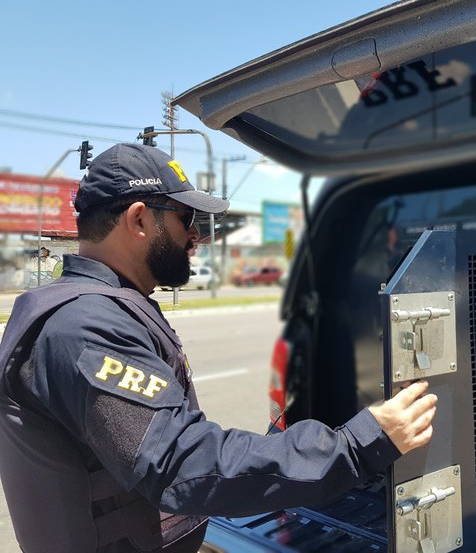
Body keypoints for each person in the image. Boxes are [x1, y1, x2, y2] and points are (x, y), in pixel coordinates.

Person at [0, 143, 437, 553]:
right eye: (184, 218)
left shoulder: (101, 306)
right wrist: (360, 445)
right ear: (138, 220)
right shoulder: (82, 327)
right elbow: (184, 466)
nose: (196, 236)